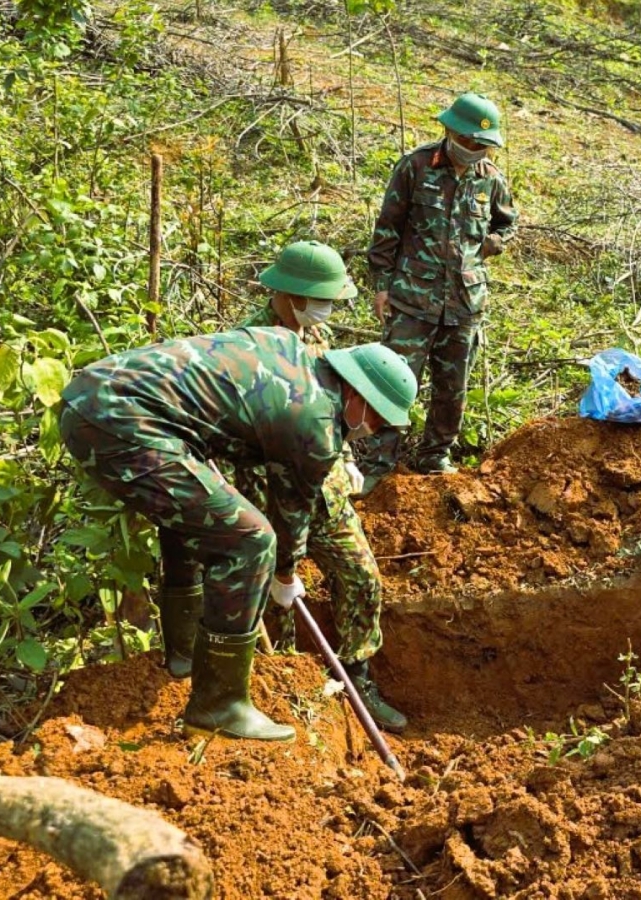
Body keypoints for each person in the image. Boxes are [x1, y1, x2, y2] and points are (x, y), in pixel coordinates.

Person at [58, 330, 416, 742]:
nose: (372, 429)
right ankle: (219, 705)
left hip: (93, 397)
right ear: (357, 394)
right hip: (118, 420)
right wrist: (284, 574)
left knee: (195, 518)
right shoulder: (314, 422)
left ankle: (184, 654)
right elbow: (291, 513)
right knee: (251, 541)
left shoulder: (289, 350)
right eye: (377, 417)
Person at [239, 240, 407, 732]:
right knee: (278, 601)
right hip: (270, 495)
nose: (326, 308)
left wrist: (348, 456)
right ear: (289, 294)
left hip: (327, 489)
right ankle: (287, 692)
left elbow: (343, 401)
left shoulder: (320, 335)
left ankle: (358, 676)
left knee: (362, 578)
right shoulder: (249, 346)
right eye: (321, 298)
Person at [363, 92, 518, 485]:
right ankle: (379, 463)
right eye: (468, 141)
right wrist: (382, 287)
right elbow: (387, 230)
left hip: (465, 304)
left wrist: (496, 242)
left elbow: (507, 224)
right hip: (412, 299)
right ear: (449, 130)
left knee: (453, 389)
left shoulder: (491, 179)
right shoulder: (415, 166)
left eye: (482, 144)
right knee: (393, 382)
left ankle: (435, 457)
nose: (473, 149)